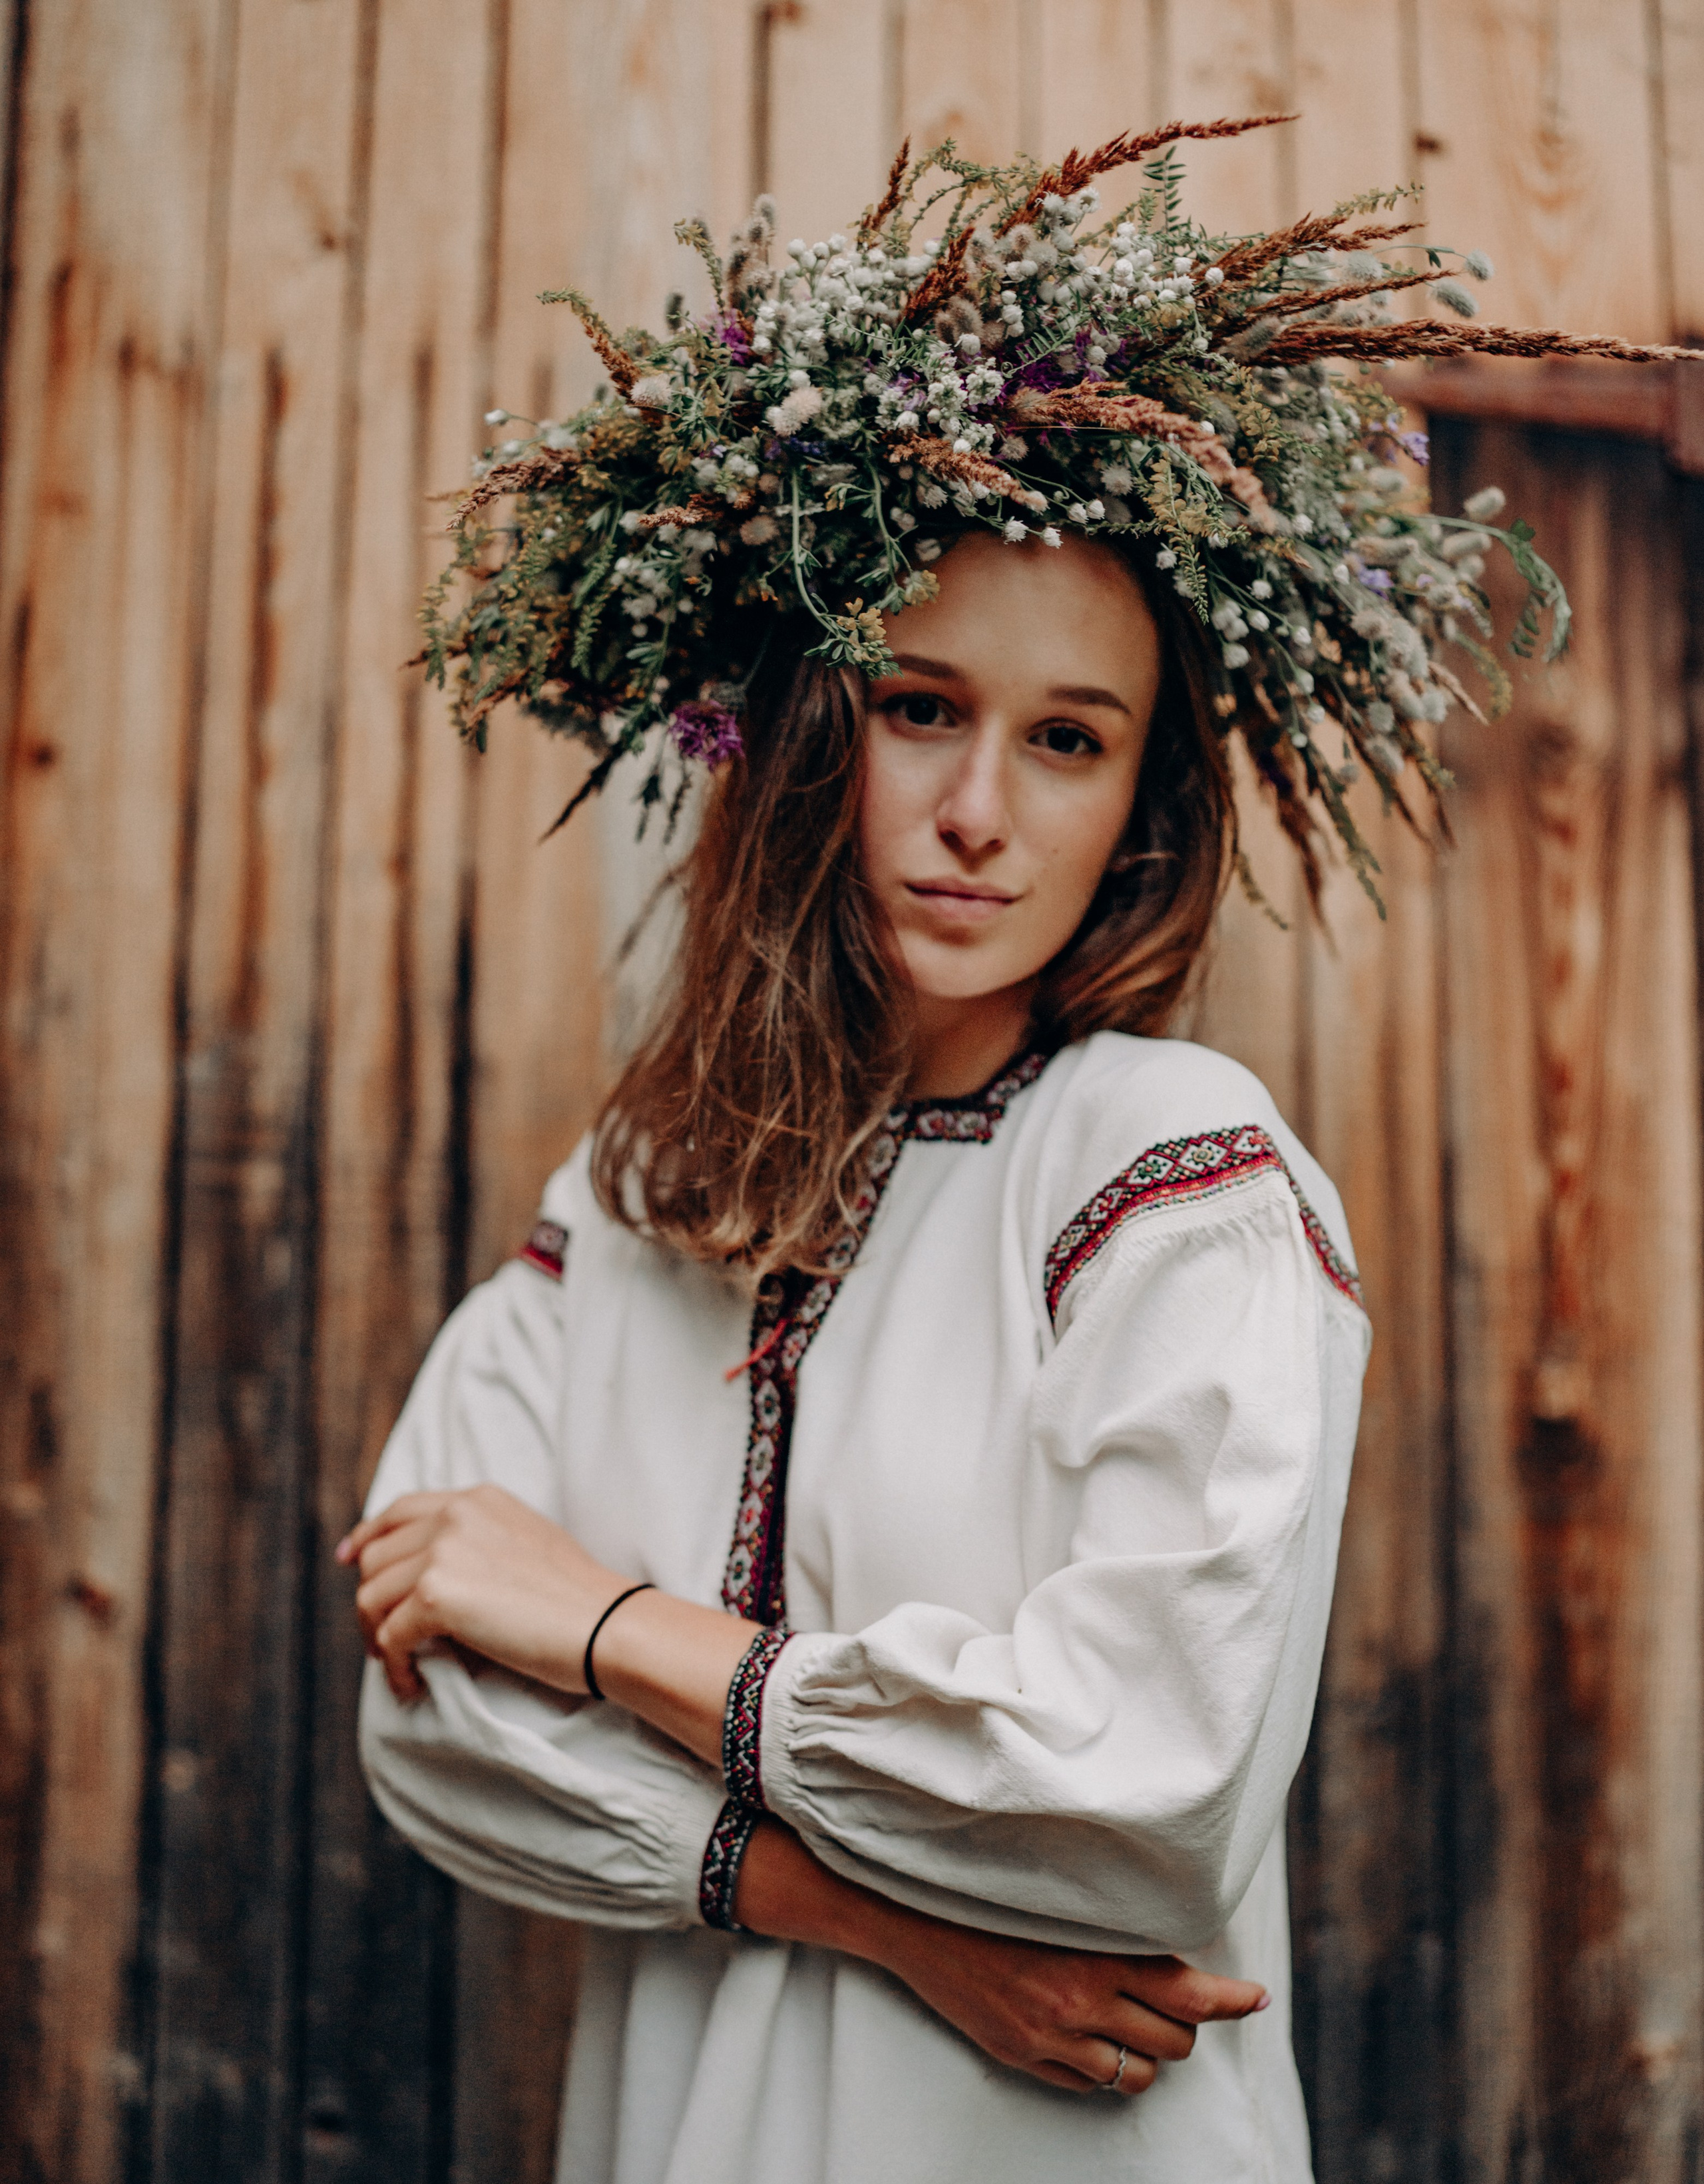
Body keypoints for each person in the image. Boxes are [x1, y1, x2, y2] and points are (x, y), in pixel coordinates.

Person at [338, 120, 1657, 2182]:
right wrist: (877, 1916)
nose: (979, 810)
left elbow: (1140, 1784)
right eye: (921, 704)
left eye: (1067, 737)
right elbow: (432, 1731)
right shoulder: (636, 1188)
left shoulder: (1172, 1166)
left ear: (1139, 798)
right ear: (804, 727)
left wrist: (600, 1623)